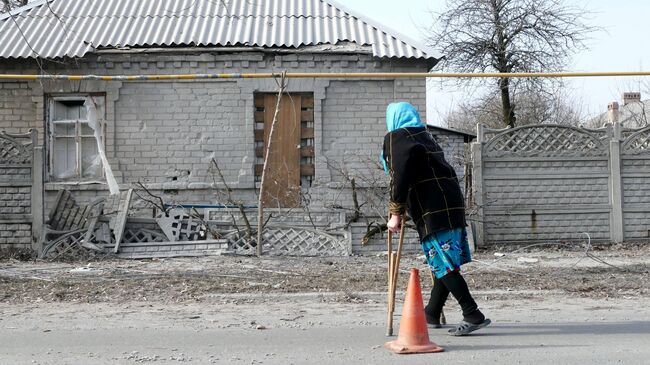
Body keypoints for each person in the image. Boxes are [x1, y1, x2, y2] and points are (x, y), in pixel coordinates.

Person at [381, 102, 490, 336]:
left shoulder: (396, 137)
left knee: (442, 261)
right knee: (444, 260)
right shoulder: (425, 136)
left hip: (432, 209)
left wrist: (395, 213)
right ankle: (431, 311)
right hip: (451, 203)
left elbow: (399, 177)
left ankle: (472, 313)